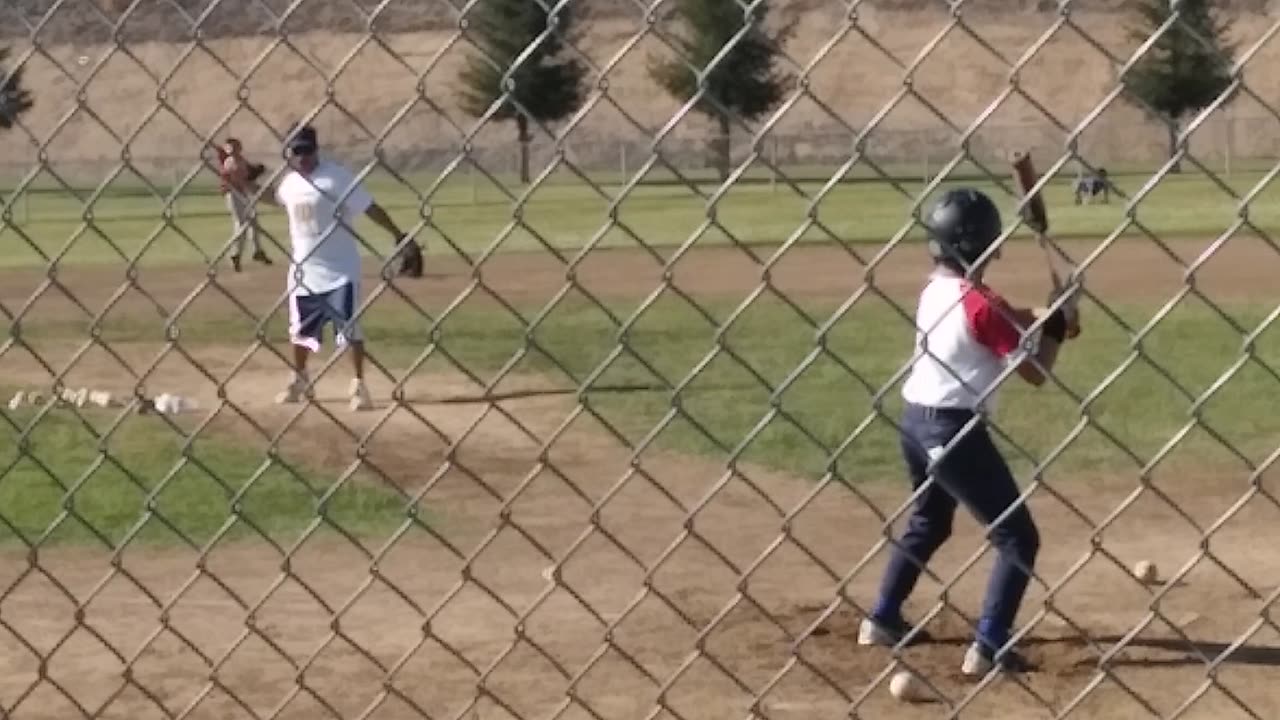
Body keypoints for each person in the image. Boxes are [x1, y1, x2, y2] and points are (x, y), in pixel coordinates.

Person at [857, 188, 1080, 676]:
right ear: (985, 244)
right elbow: (1036, 371)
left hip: (915, 423)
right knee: (1018, 537)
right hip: (955, 431)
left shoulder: (936, 288)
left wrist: (1051, 315)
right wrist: (1059, 328)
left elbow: (1006, 318)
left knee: (930, 521)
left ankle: (882, 618)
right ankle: (989, 646)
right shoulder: (982, 305)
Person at [269, 124, 408, 411]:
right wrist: (242, 182)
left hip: (341, 267)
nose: (302, 157)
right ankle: (300, 379)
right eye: (296, 152)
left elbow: (369, 207)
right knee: (301, 330)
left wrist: (397, 233)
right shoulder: (289, 182)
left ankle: (359, 386)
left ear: (316, 149)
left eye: (307, 150)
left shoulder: (337, 178)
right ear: (289, 154)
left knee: (349, 328)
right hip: (304, 271)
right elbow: (275, 200)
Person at [219, 138, 273, 272]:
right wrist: (252, 176)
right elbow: (240, 179)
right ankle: (235, 254)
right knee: (241, 224)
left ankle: (257, 251)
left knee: (253, 221)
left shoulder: (241, 160)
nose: (232, 149)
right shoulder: (230, 162)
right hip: (233, 195)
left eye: (235, 147)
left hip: (242, 194)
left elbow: (248, 173)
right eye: (230, 147)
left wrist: (255, 170)